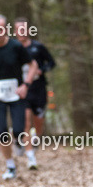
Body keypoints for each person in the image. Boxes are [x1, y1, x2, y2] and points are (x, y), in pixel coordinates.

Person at [0, 15, 38, 179]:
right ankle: (10, 166)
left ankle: (19, 142)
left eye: (1, 28)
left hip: (16, 95)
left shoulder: (16, 46)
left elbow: (33, 65)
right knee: (2, 131)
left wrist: (26, 85)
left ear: (6, 29)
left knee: (19, 130)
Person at [14, 17, 56, 170]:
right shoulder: (13, 48)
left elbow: (51, 62)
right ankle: (30, 156)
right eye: (19, 30)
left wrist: (41, 70)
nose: (22, 32)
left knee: (39, 120)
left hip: (38, 89)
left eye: (24, 29)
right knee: (25, 122)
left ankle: (36, 138)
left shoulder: (38, 47)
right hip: (22, 90)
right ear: (15, 31)